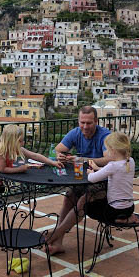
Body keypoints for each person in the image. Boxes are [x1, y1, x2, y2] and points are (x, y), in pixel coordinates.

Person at [48, 131, 137, 255]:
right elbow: (113, 171)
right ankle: (125, 218)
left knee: (83, 204)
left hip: (113, 211)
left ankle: (57, 232)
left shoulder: (112, 165)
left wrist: (91, 172)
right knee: (78, 197)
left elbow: (92, 179)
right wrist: (98, 168)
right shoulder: (130, 161)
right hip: (129, 208)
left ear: (113, 150)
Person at [51, 106, 111, 252]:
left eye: (89, 123)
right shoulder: (75, 133)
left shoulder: (105, 135)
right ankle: (58, 241)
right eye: (82, 122)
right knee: (68, 197)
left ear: (96, 121)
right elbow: (57, 150)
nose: (85, 126)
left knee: (82, 202)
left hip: (102, 181)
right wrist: (59, 155)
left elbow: (110, 158)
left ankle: (56, 235)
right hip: (81, 178)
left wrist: (83, 159)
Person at [0, 124, 61, 203]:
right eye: (20, 141)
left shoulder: (17, 149)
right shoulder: (1, 153)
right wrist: (20, 169)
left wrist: (52, 162)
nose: (23, 143)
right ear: (12, 142)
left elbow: (35, 156)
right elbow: (3, 169)